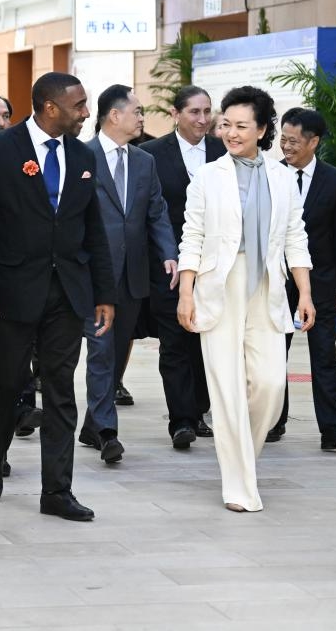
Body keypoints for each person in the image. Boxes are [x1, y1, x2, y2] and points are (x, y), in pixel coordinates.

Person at [0, 71, 116, 522]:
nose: (86, 113)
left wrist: (104, 292)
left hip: (66, 292)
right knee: (5, 383)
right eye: (79, 105)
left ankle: (57, 491)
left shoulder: (84, 154)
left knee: (61, 389)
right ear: (51, 107)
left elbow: (93, 229)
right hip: (9, 292)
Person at [176, 85, 314, 513]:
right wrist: (185, 292)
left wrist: (304, 291)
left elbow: (295, 236)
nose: (230, 133)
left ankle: (242, 460)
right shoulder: (207, 176)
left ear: (262, 129)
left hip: (267, 286)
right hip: (219, 286)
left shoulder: (281, 177)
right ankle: (238, 485)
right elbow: (192, 236)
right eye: (226, 124)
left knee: (270, 386)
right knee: (226, 388)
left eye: (240, 126)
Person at [78, 84, 177, 464]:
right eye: (136, 111)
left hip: (133, 273)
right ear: (113, 115)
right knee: (101, 350)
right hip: (92, 273)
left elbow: (156, 211)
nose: (141, 118)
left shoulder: (143, 161)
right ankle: (106, 431)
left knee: (117, 351)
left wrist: (168, 253)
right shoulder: (81, 156)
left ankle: (92, 424)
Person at [270, 108, 336, 449]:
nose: (287, 147)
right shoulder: (271, 175)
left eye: (294, 141)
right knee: (275, 353)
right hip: (278, 282)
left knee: (324, 355)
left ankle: (333, 430)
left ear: (314, 142)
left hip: (321, 282)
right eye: (283, 140)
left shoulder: (334, 180)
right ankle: (273, 422)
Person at [138, 85, 225, 448]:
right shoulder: (151, 155)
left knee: (206, 340)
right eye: (194, 112)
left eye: (207, 112)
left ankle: (200, 409)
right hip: (169, 265)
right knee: (173, 342)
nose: (203, 119)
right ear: (176, 114)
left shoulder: (225, 152)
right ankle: (182, 421)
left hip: (215, 265)